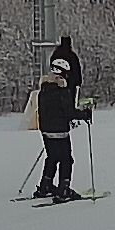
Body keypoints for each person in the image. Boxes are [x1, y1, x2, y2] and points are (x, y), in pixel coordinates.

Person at [32, 39, 90, 200]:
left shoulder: (44, 89)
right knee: (67, 159)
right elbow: (69, 112)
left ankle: (45, 185)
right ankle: (64, 189)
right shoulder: (62, 90)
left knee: (52, 157)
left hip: (45, 130)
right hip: (60, 130)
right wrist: (84, 114)